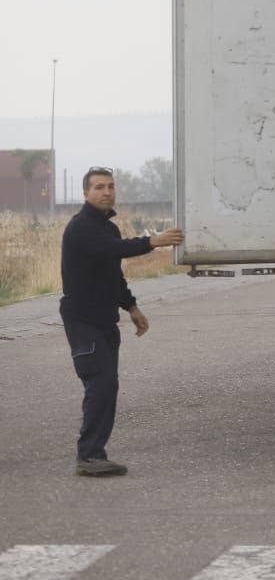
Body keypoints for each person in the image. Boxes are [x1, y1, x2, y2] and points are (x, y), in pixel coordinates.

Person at [59, 168, 183, 477]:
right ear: (86, 194)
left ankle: (93, 454)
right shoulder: (81, 228)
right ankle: (88, 456)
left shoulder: (107, 228)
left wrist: (131, 307)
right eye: (99, 187)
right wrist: (153, 241)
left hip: (104, 320)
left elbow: (112, 273)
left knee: (107, 385)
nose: (106, 192)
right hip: (83, 320)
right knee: (99, 384)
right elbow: (114, 250)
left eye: (111, 187)